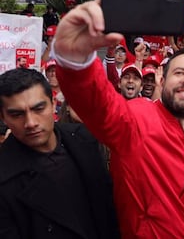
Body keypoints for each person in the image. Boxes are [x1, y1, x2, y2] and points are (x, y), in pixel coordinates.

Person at [50, 0, 184, 237]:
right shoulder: (138, 119)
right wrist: (75, 60)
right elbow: (98, 105)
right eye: (180, 72)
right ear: (161, 79)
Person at [0, 68, 119, 239]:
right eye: (17, 114)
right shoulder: (5, 180)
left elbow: (108, 208)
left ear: (53, 102)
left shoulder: (84, 140)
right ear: (3, 117)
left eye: (38, 108)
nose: (31, 123)